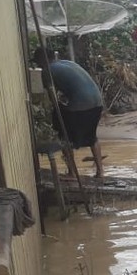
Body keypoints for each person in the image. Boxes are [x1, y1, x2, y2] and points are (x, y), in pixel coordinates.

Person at [34, 48, 105, 178]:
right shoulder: (68, 63)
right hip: (97, 102)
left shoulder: (47, 71)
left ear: (41, 60)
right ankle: (100, 172)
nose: (38, 65)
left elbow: (52, 98)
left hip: (82, 104)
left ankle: (72, 173)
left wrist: (54, 112)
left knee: (64, 135)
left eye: (38, 62)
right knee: (92, 137)